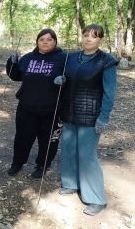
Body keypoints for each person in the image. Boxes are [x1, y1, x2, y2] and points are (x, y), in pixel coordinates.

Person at [58, 24, 118, 216]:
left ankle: (96, 199)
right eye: (85, 35)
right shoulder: (71, 58)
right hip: (69, 111)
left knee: (86, 155)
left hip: (91, 116)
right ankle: (70, 183)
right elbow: (68, 79)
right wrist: (62, 80)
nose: (88, 39)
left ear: (100, 39)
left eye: (94, 36)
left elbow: (110, 92)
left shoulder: (106, 61)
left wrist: (104, 117)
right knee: (68, 148)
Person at [6, 29, 67, 178]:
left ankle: (42, 165)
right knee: (22, 138)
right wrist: (11, 63)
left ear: (55, 42)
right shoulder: (28, 58)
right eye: (42, 39)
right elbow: (15, 76)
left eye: (49, 39)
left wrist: (65, 81)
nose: (45, 42)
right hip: (26, 107)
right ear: (37, 42)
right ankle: (17, 163)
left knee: (48, 141)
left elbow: (73, 77)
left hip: (52, 109)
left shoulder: (64, 58)